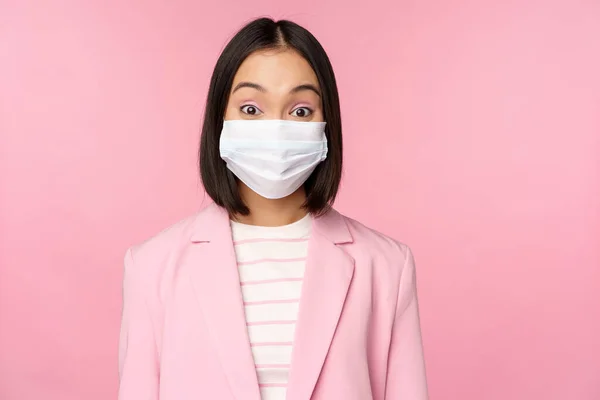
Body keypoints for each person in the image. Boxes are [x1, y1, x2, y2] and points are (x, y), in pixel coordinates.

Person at [118, 17, 428, 400]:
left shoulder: (387, 267)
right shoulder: (152, 266)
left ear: (326, 126)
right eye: (251, 109)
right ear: (220, 121)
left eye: (300, 111)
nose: (276, 128)